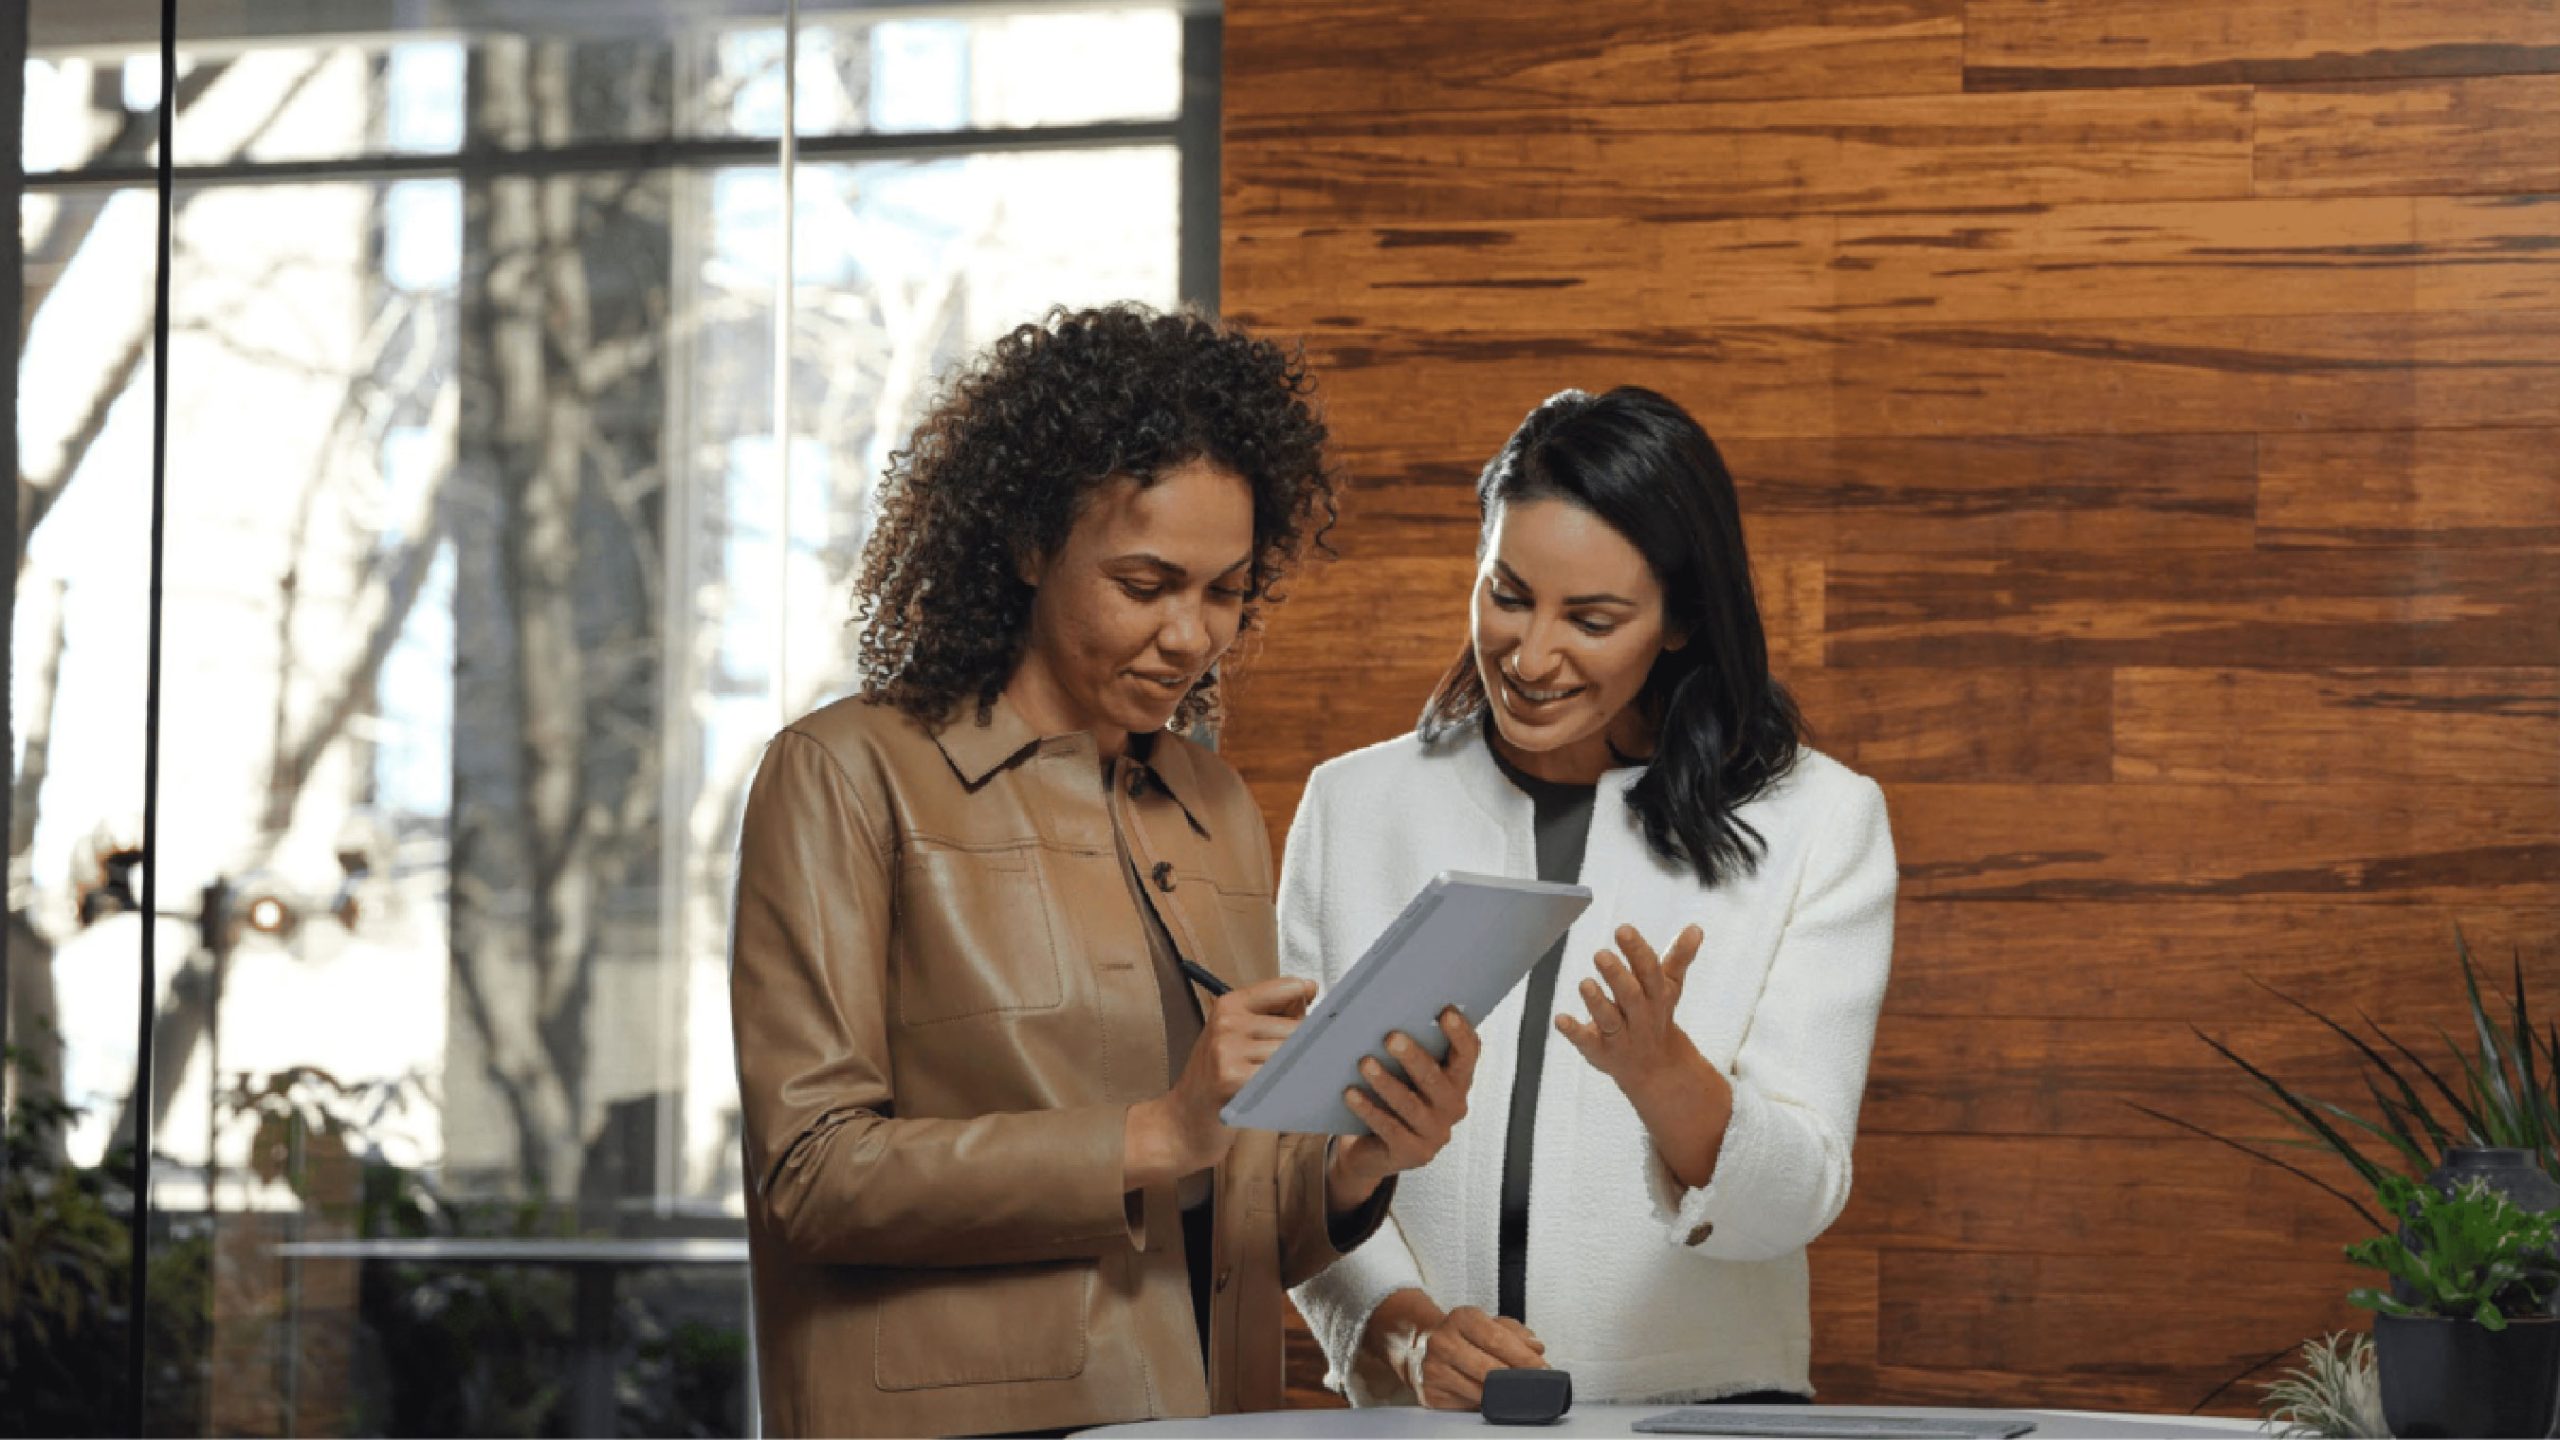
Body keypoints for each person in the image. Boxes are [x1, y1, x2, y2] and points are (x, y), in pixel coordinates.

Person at [729, 304, 1479, 1438]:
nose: (1193, 636)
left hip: (1205, 1419)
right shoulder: (843, 775)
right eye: (1146, 585)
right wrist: (1154, 1135)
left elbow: (1239, 1216)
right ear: (1031, 545)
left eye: (1226, 592)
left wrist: (1356, 1164)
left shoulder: (1213, 804)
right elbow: (812, 1178)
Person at [1279, 386, 1897, 1409]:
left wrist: (1667, 1080)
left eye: (1593, 619)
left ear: (1684, 619)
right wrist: (1404, 1338)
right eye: (1507, 595)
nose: (1529, 658)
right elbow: (1294, 1169)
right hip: (1432, 1425)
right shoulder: (1354, 807)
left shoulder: (1819, 822)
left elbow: (1799, 1194)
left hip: (1702, 1422)